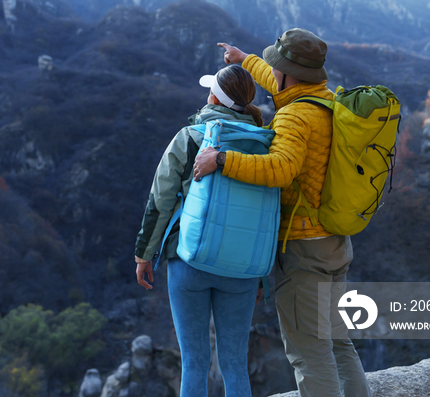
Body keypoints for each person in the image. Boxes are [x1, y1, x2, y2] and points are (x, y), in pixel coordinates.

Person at [192, 28, 371, 397]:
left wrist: (221, 159)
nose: (271, 73)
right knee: (338, 343)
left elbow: (279, 169)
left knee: (310, 353)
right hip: (335, 243)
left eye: (276, 67)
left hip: (305, 252)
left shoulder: (294, 118)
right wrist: (243, 60)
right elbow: (275, 80)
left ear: (290, 74)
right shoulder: (323, 100)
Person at [135, 64, 265, 397]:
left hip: (190, 257)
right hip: (244, 267)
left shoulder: (190, 138)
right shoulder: (266, 145)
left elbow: (160, 200)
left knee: (194, 362)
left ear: (213, 97)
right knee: (235, 363)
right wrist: (263, 271)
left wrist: (144, 255)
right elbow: (269, 213)